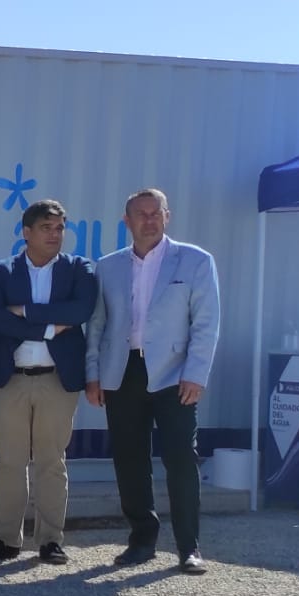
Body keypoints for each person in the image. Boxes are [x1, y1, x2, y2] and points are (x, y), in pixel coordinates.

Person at [87, 188, 221, 574]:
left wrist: (196, 373)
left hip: (174, 373)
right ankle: (142, 540)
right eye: (140, 214)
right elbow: (97, 324)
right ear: (125, 221)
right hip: (122, 371)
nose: (148, 220)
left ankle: (188, 547)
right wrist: (93, 374)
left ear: (167, 216)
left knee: (180, 459)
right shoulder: (108, 266)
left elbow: (206, 322)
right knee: (129, 460)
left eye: (155, 212)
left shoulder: (195, 261)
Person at [0, 200, 96, 565]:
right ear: (26, 232)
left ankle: (50, 540)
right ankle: (8, 540)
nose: (54, 235)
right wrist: (49, 327)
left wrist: (25, 312)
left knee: (51, 461)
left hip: (56, 381)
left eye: (59, 228)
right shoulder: (0, 270)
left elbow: (80, 311)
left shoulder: (79, 269)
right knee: (10, 462)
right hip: (9, 379)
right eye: (46, 228)